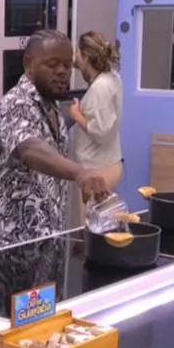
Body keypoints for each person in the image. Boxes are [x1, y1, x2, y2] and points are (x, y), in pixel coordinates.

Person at [0, 29, 111, 254]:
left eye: (67, 65)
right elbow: (30, 148)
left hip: (45, 241)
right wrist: (79, 172)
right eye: (52, 64)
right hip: (9, 246)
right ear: (29, 64)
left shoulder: (51, 106)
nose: (62, 72)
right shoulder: (16, 104)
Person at [67, 31, 125, 227]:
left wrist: (77, 115)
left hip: (98, 169)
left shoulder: (100, 87)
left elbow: (101, 132)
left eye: (77, 53)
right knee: (104, 225)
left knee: (92, 229)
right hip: (109, 163)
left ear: (86, 56)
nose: (75, 58)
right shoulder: (112, 77)